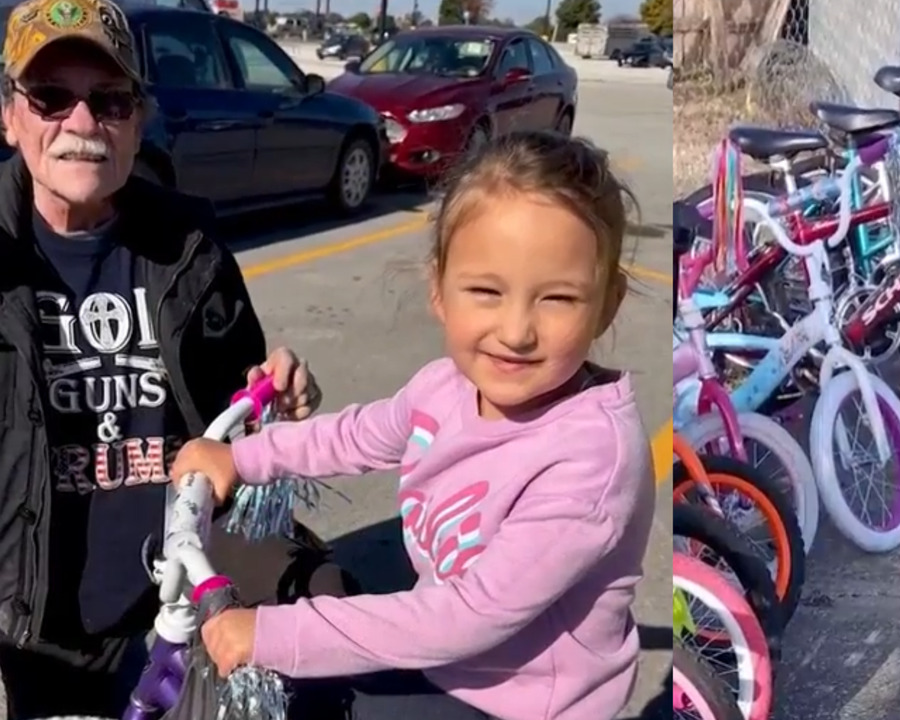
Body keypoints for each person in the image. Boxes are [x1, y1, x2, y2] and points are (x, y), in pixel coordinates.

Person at [172, 131, 657, 720]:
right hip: (445, 657)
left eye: (557, 299)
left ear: (607, 303)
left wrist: (273, 636)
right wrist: (243, 459)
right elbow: (357, 434)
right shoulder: (445, 387)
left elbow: (467, 616)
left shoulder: (591, 458)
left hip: (517, 701)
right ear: (439, 291)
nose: (517, 330)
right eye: (485, 291)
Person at [0, 0, 354, 716]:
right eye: (51, 98)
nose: (80, 123)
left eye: (109, 101)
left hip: (178, 600)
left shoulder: (190, 245)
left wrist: (274, 395)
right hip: (42, 621)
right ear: (9, 115)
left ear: (138, 120)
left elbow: (239, 418)